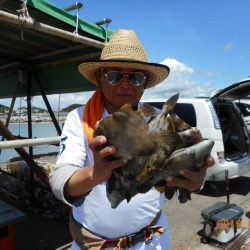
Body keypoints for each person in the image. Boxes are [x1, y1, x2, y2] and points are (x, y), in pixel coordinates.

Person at [49, 29, 214, 250]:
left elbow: (184, 166)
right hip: (95, 245)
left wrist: (196, 180)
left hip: (153, 241)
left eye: (135, 77)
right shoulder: (80, 119)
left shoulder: (161, 117)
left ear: (144, 83)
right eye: (115, 75)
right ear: (100, 78)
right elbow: (60, 181)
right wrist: (95, 173)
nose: (125, 84)